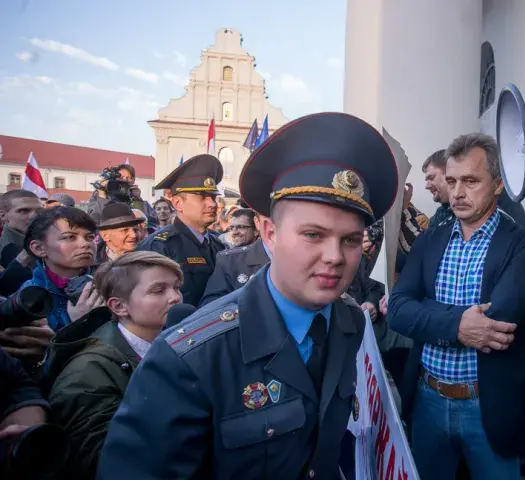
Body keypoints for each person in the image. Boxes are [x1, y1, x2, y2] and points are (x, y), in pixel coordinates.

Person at [97, 112, 398, 479]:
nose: (335, 257)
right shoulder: (190, 356)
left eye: (350, 240)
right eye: (314, 235)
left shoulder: (348, 322)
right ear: (269, 233)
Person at [389, 132, 525, 479]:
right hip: (428, 400)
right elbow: (398, 308)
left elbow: (496, 325)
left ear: (499, 184)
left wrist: (427, 310)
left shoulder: (524, 246)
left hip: (488, 407)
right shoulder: (431, 239)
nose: (458, 193)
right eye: (452, 181)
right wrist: (459, 324)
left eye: (471, 181)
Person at [45, 251, 182, 479]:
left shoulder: (173, 341)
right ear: (119, 307)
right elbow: (100, 459)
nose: (175, 297)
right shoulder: (87, 371)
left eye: (176, 287)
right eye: (158, 290)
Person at [135, 154, 226, 306]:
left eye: (213, 197)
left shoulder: (219, 244)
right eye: (202, 197)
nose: (212, 204)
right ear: (177, 203)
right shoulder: (161, 246)